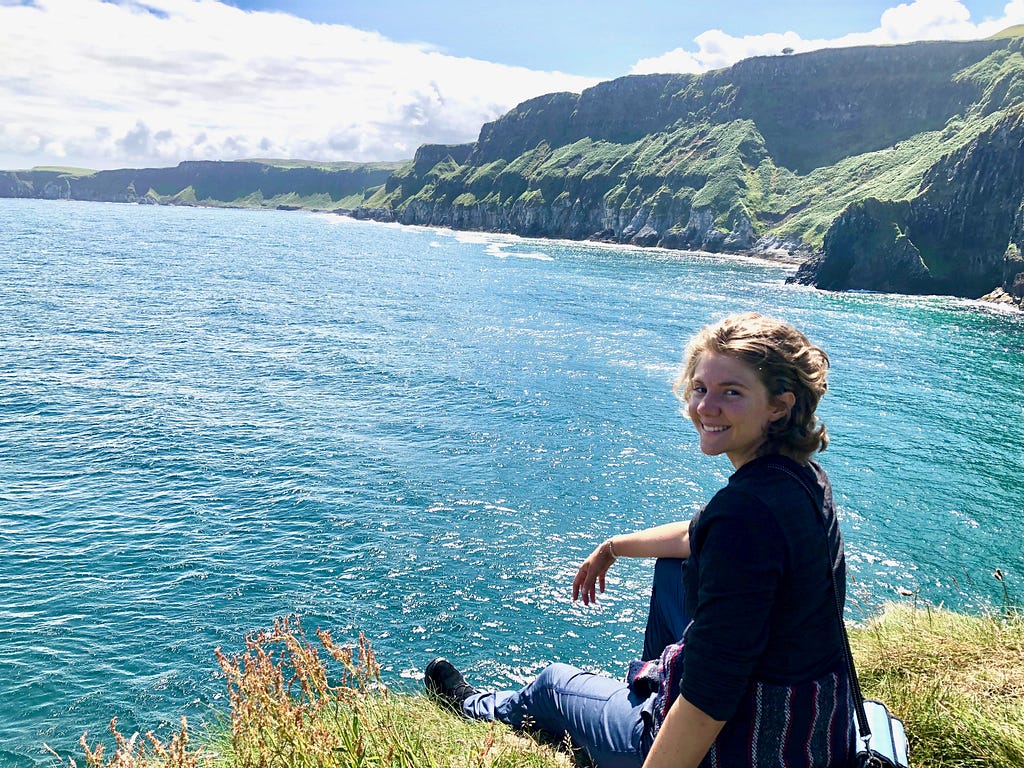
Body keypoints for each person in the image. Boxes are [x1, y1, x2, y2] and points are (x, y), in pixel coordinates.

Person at [425, 312, 856, 768]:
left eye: (732, 391)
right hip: (814, 725)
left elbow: (711, 695)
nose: (706, 407)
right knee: (673, 568)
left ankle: (473, 706)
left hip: (746, 747)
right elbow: (695, 536)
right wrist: (610, 548)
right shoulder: (802, 480)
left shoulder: (743, 517)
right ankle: (646, 691)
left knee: (552, 684)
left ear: (779, 405)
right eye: (701, 388)